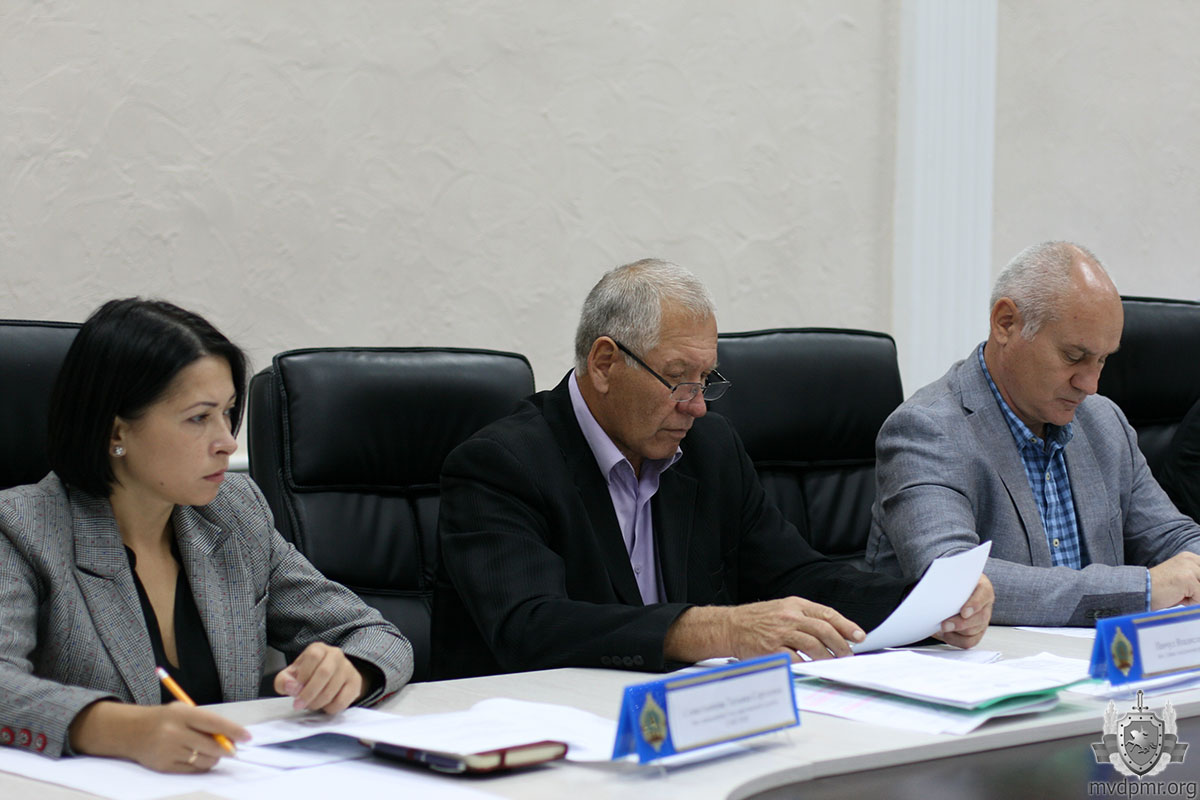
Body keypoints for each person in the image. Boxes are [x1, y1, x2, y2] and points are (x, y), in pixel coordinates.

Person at [433, 258, 992, 679]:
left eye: (706, 379)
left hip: (691, 718)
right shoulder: (501, 464)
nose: (697, 405)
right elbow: (529, 627)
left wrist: (927, 604)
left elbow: (796, 577)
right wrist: (712, 628)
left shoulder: (710, 448)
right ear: (604, 363)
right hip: (538, 741)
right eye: (678, 379)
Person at [0, 299, 413, 772]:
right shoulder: (22, 527)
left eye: (228, 412)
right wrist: (124, 730)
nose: (228, 442)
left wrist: (349, 672)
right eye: (199, 417)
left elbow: (374, 635)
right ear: (116, 432)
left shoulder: (233, 513)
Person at [867, 241, 1200, 626]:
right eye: (1074, 356)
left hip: (1094, 656)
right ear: (1006, 323)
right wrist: (1141, 589)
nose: (1090, 384)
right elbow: (953, 580)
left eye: (1103, 360)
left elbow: (1171, 537)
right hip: (975, 661)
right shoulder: (926, 429)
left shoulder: (1103, 421)